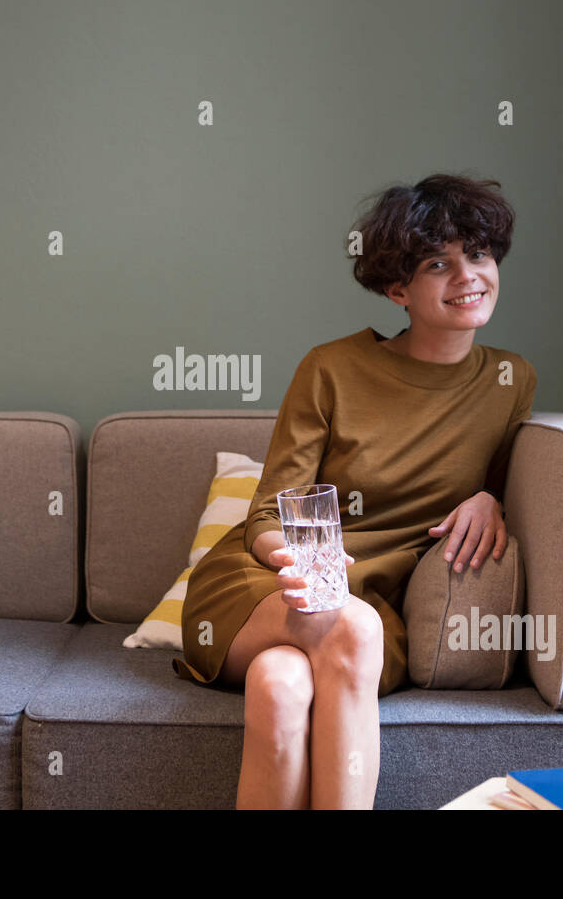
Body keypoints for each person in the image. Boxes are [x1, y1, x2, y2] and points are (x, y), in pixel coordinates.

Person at [170, 173, 537, 809]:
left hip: (371, 603)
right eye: (437, 264)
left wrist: (491, 499)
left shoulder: (511, 380)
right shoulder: (332, 368)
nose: (467, 276)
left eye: (477, 254)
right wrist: (302, 568)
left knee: (282, 683)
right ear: (398, 288)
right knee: (350, 631)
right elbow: (268, 510)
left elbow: (500, 485)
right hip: (266, 586)